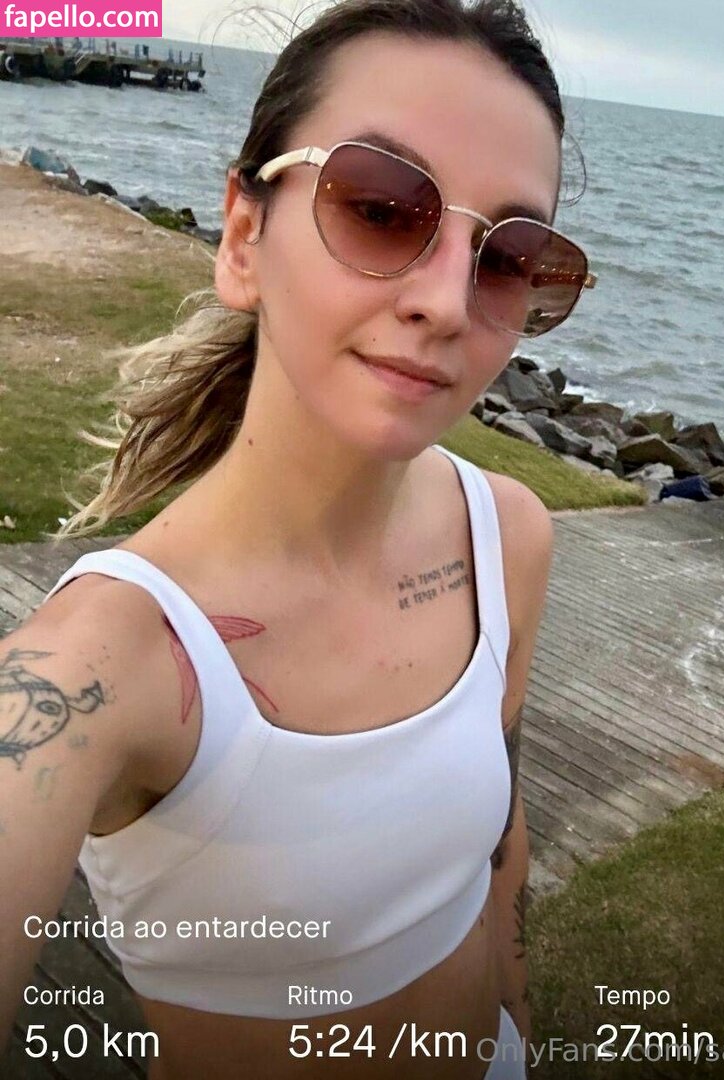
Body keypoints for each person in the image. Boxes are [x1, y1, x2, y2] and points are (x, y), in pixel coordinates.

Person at [0, 0, 595, 1076]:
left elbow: (499, 844)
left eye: (511, 258)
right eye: (380, 207)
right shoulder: (100, 667)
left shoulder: (506, 538)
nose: (447, 302)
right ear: (243, 237)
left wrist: (520, 1027)